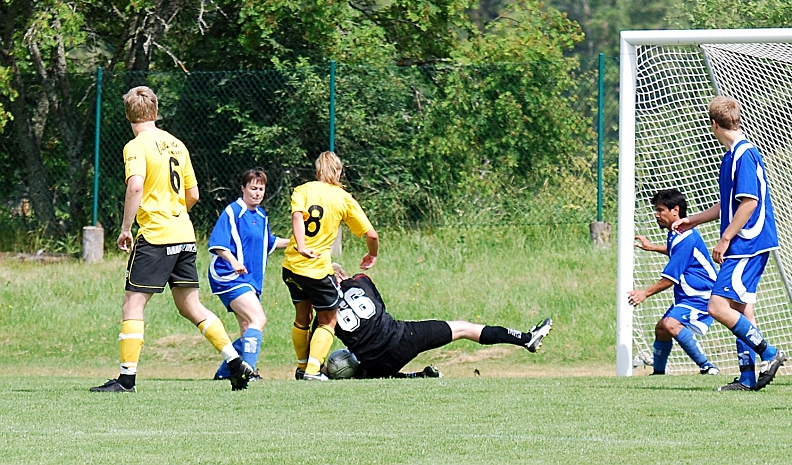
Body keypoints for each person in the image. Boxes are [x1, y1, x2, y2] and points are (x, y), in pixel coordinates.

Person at [90, 86, 253, 393]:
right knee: (192, 306)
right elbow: (193, 194)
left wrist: (126, 228)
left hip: (156, 236)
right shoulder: (177, 144)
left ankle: (126, 380)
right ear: (155, 111)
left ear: (129, 115)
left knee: (132, 305)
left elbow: (135, 187)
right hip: (184, 233)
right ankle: (235, 363)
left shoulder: (136, 145)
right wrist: (174, 213)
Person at [672, 95, 786, 392]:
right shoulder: (731, 156)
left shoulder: (744, 154)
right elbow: (729, 205)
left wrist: (725, 239)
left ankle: (770, 353)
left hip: (747, 243)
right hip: (746, 243)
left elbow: (749, 202)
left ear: (713, 124)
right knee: (740, 307)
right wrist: (693, 220)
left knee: (717, 306)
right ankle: (748, 377)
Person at [326, 264, 552, 379]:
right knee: (463, 328)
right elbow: (378, 306)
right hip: (403, 338)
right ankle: (526, 338)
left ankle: (416, 377)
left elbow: (322, 333)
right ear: (343, 276)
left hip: (376, 363)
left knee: (367, 374)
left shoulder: (324, 310)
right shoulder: (361, 280)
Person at [282, 151, 379, 381]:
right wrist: (372, 254)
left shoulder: (303, 190)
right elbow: (371, 234)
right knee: (329, 319)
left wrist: (302, 245)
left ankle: (302, 365)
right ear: (338, 172)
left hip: (292, 266)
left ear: (317, 172)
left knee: (302, 317)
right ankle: (313, 371)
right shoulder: (343, 198)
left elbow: (297, 216)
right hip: (316, 270)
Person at [208, 168, 290, 380]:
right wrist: (234, 262)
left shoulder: (261, 216)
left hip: (250, 280)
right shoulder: (233, 211)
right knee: (258, 318)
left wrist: (297, 243)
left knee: (247, 328)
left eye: (261, 189)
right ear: (243, 188)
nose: (257, 193)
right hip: (228, 276)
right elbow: (218, 245)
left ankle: (226, 372)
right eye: (253, 188)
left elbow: (269, 243)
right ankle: (248, 372)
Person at [628, 189, 719, 376]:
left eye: (660, 210)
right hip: (689, 296)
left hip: (703, 295)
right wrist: (653, 247)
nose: (656, 215)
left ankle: (708, 367)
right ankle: (658, 374)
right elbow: (675, 251)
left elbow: (670, 279)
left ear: (675, 210)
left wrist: (644, 293)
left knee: (671, 324)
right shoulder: (677, 234)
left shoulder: (686, 238)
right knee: (661, 329)